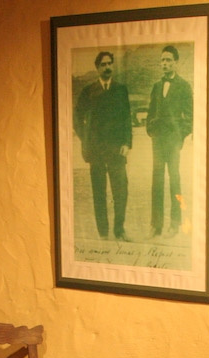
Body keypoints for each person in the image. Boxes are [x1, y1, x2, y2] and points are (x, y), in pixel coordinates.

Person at [74, 51, 132, 240]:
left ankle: (119, 230)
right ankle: (103, 233)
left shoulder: (120, 89)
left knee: (121, 191)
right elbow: (77, 118)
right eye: (103, 64)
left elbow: (127, 118)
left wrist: (127, 143)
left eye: (109, 64)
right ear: (97, 68)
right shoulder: (88, 91)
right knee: (99, 192)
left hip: (117, 149)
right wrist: (85, 139)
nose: (107, 67)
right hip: (96, 150)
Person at [146, 45, 193, 237]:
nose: (165, 64)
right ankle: (156, 225)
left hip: (173, 141)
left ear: (176, 62)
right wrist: (151, 130)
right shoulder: (157, 86)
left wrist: (180, 136)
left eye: (168, 60)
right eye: (162, 60)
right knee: (157, 181)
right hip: (158, 140)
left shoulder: (184, 86)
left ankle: (175, 223)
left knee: (175, 180)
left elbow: (190, 117)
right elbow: (150, 111)